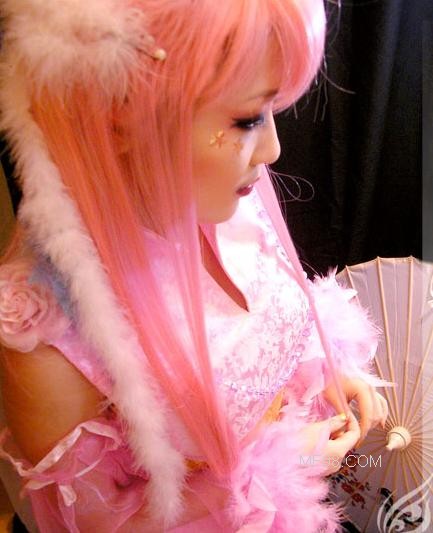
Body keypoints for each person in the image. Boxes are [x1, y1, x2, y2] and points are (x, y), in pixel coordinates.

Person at [0, 0, 390, 531]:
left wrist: (322, 369)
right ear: (122, 116)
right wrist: (276, 466)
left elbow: (260, 323)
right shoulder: (44, 323)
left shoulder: (219, 192)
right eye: (247, 118)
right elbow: (98, 523)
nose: (272, 151)